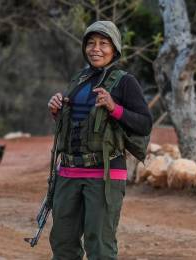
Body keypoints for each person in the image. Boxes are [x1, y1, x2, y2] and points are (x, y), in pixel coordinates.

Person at [47, 21, 152, 259]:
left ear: (114, 49)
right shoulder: (79, 79)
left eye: (103, 43)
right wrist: (57, 112)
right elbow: (78, 126)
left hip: (104, 176)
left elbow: (145, 123)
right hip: (68, 173)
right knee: (63, 245)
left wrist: (114, 108)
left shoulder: (125, 82)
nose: (96, 48)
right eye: (91, 43)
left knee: (100, 247)